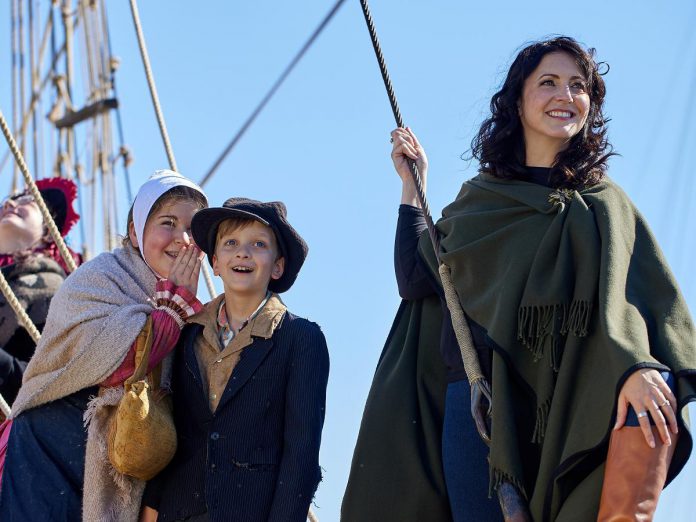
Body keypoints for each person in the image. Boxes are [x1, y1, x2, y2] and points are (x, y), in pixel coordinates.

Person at [343, 36, 696, 521]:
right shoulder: (482, 199)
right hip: (477, 402)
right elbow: (416, 278)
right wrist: (413, 188)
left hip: (567, 398)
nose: (564, 96)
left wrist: (634, 365)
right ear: (518, 100)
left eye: (578, 86)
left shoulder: (604, 204)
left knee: (651, 394)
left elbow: (631, 304)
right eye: (547, 82)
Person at [0, 170, 208, 521]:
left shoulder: (197, 314)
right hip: (46, 454)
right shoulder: (98, 278)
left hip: (126, 467)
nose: (182, 239)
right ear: (135, 232)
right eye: (168, 223)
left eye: (192, 229)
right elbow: (120, 362)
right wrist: (172, 309)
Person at [141, 197, 330, 522]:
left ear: (278, 266)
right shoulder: (187, 335)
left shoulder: (301, 339)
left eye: (259, 244)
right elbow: (174, 433)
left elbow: (301, 456)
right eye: (231, 243)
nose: (243, 252)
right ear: (214, 262)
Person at [0, 177, 82, 406]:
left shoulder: (59, 290)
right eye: (5, 202)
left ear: (49, 227)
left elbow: (52, 380)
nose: (9, 205)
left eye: (26, 201)